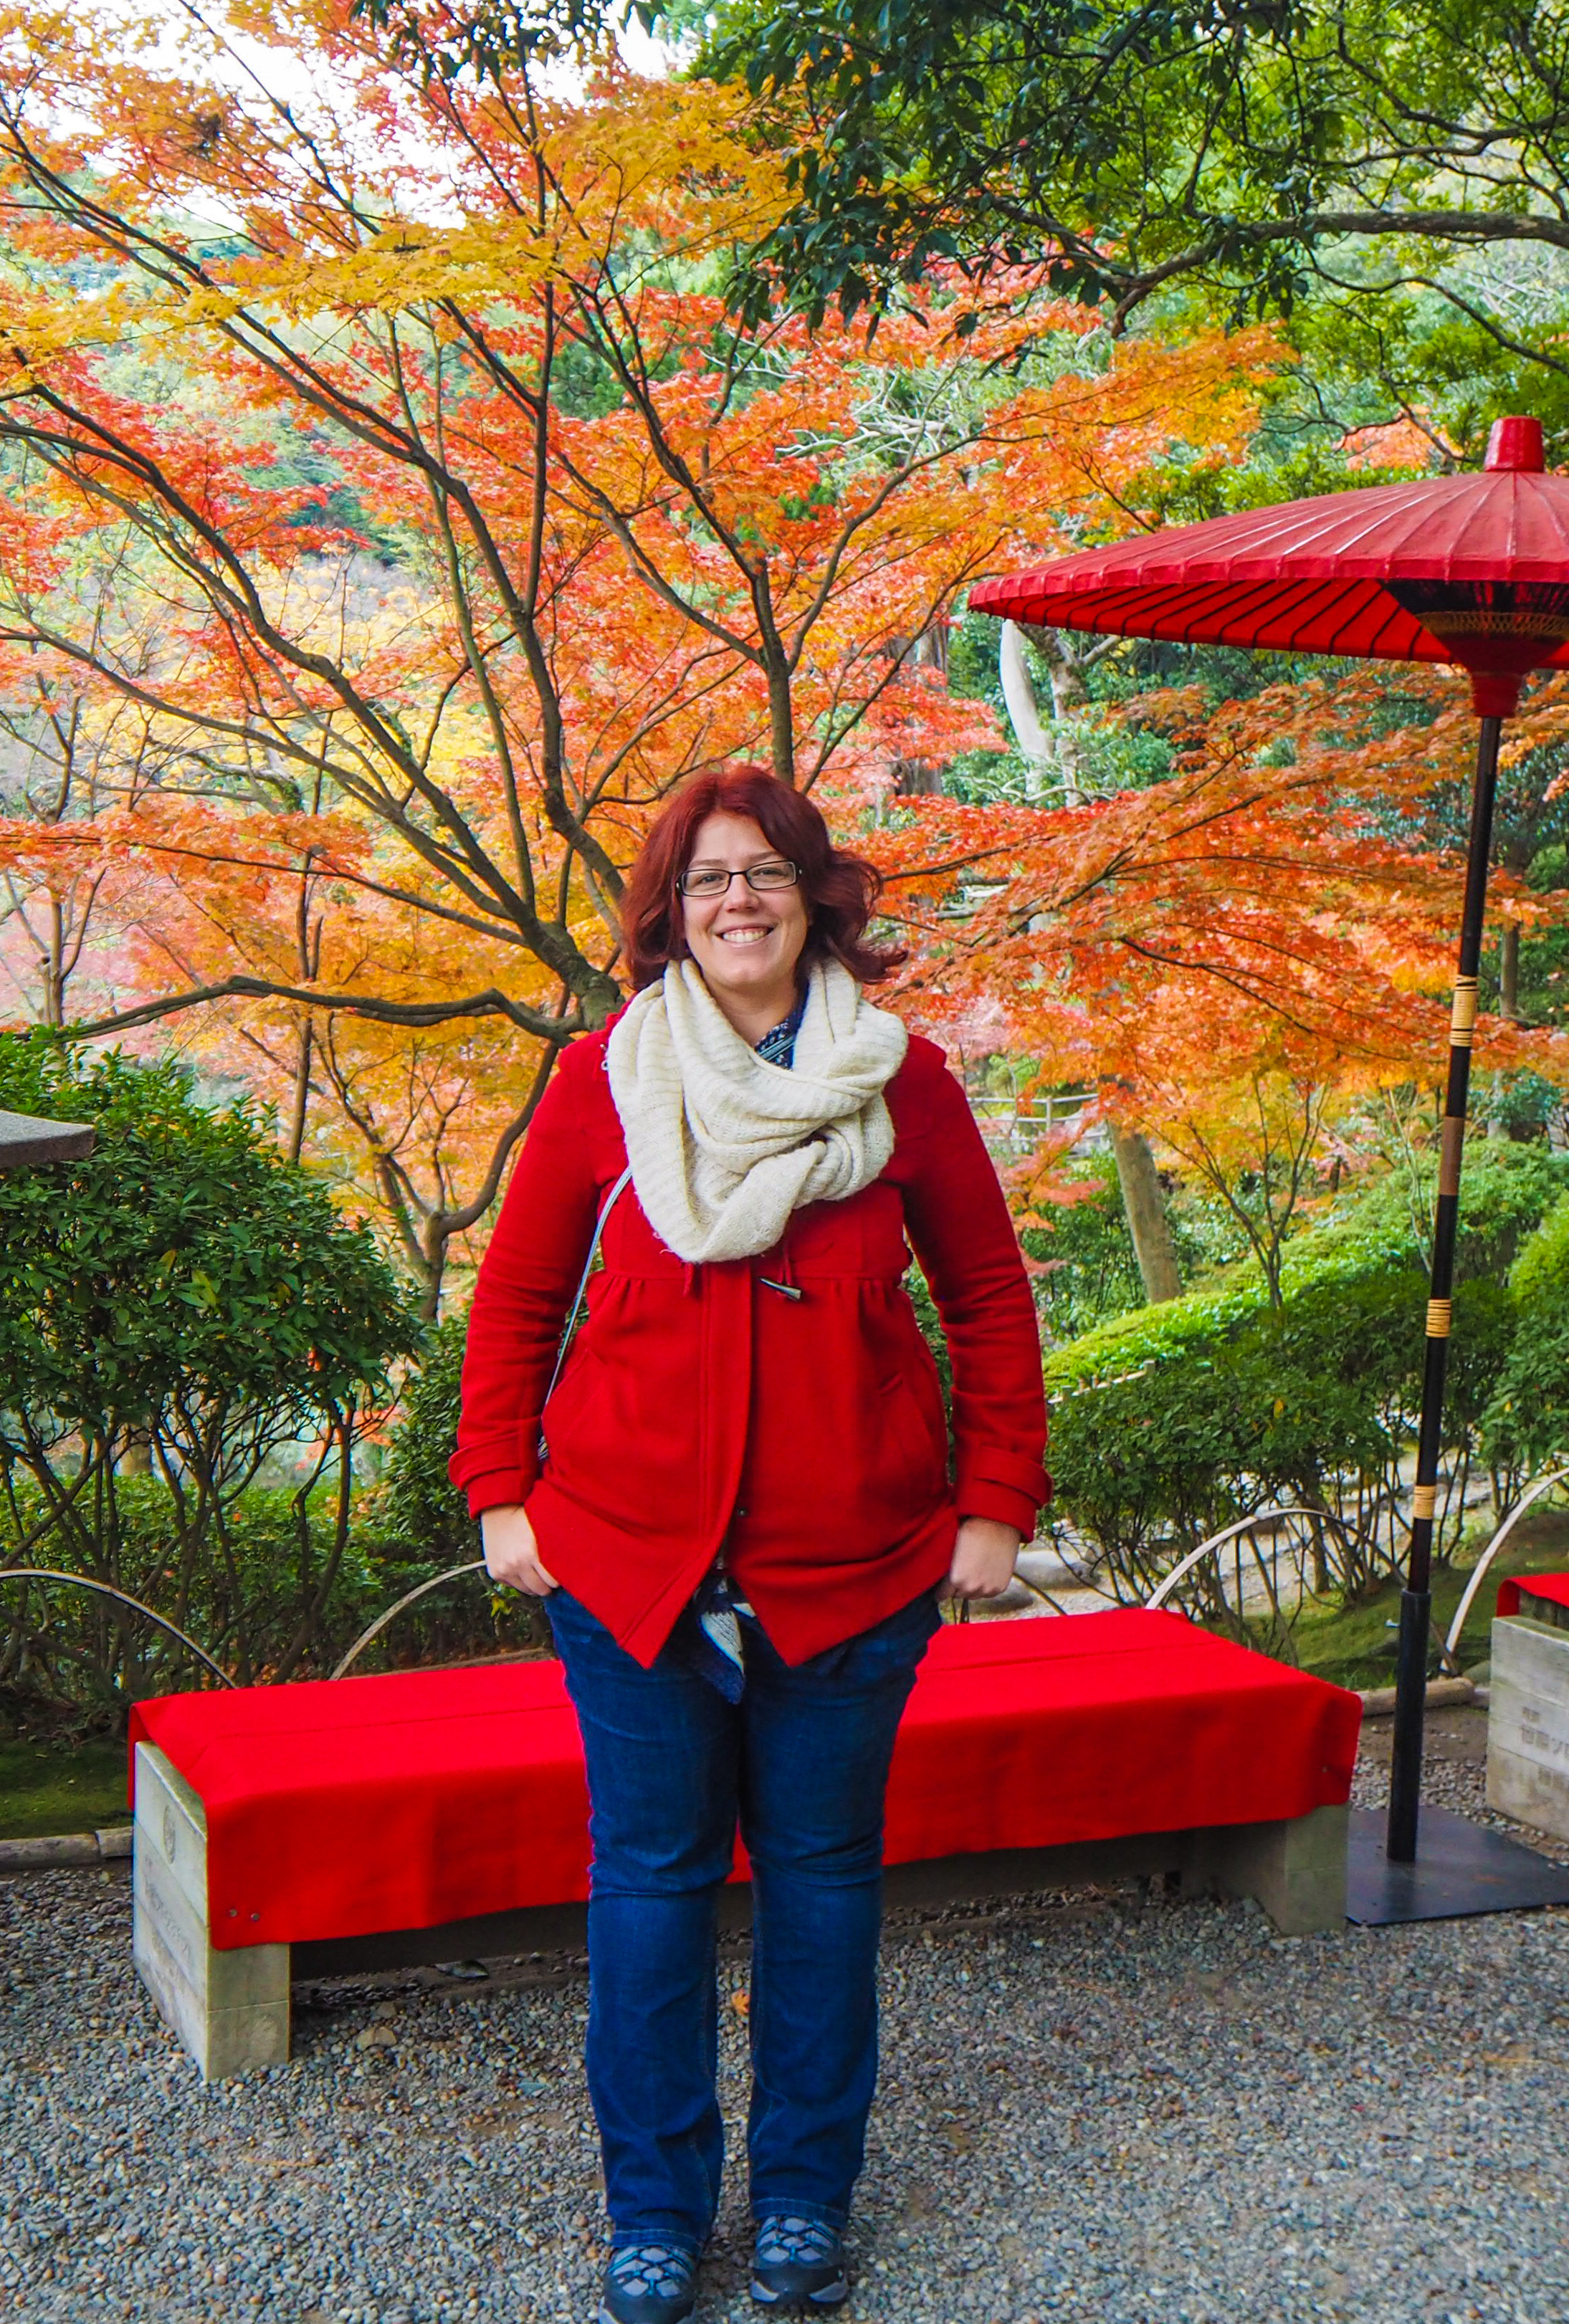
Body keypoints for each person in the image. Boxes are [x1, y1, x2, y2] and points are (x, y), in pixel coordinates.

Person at [452, 768, 1049, 2321]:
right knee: (647, 1887)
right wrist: (499, 1497)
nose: (738, 900)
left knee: (820, 1884)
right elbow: (517, 1296)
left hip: (849, 1565)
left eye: (768, 874)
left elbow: (986, 1296)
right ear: (669, 908)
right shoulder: (607, 1074)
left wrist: (991, 1501)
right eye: (709, 877)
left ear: (814, 898)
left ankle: (801, 2200)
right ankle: (651, 2209)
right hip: (625, 1559)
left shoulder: (897, 1078)